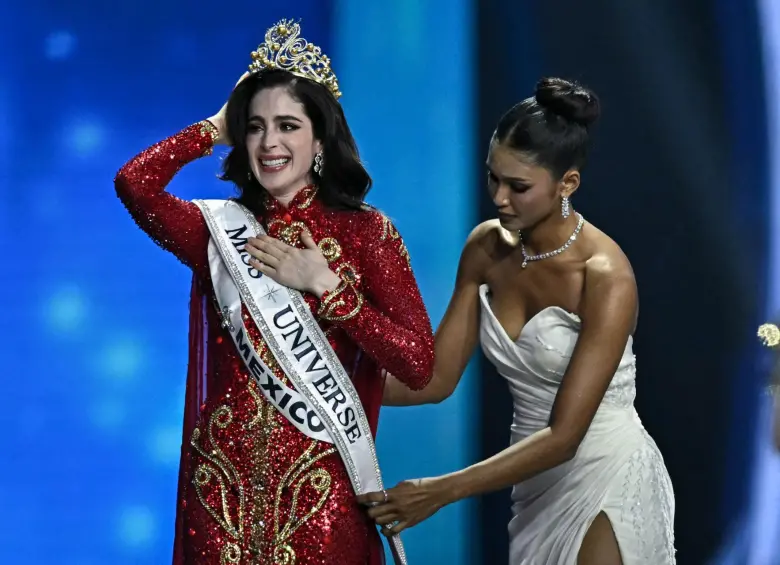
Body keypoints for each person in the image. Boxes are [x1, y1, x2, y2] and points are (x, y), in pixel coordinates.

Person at [114, 19, 433, 565]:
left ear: (320, 138)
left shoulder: (367, 234)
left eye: (288, 125)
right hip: (221, 499)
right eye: (255, 127)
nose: (269, 143)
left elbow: (419, 363)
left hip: (321, 500)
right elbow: (133, 184)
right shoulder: (217, 231)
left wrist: (327, 286)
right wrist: (214, 127)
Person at [359, 78, 676, 564]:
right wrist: (334, 384)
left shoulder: (606, 275)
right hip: (531, 481)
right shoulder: (485, 247)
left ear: (567, 183)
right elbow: (436, 378)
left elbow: (566, 436)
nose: (499, 198)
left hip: (605, 471)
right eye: (493, 178)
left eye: (518, 186)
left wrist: (440, 490)